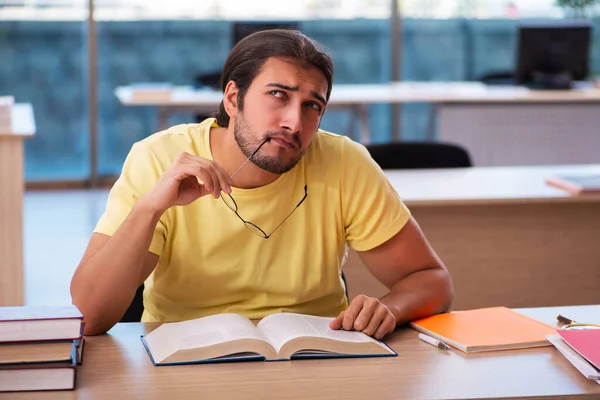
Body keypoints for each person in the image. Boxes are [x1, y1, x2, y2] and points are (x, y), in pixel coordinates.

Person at [70, 29, 453, 338]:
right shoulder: (158, 158)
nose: (294, 123)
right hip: (185, 360)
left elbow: (431, 280)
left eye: (312, 106)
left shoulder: (344, 162)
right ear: (233, 99)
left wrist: (391, 308)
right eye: (277, 95)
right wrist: (150, 208)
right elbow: (90, 315)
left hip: (315, 357)